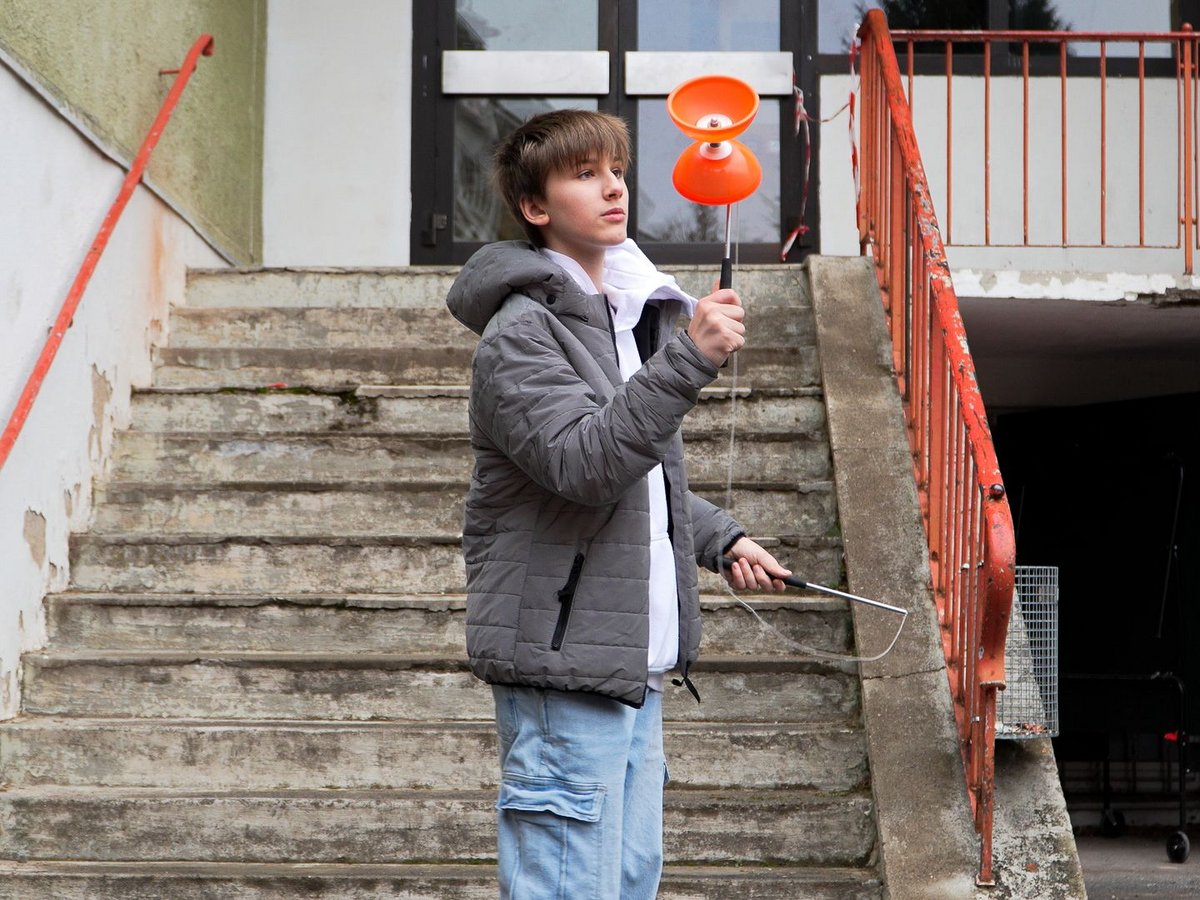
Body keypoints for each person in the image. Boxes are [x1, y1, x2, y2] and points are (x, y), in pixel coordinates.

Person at [445, 108, 790, 900]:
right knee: (569, 888)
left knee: (628, 882)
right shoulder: (519, 337)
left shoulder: (626, 319)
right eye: (583, 174)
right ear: (536, 208)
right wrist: (690, 360)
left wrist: (721, 538)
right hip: (563, 666)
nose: (611, 188)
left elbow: (640, 479)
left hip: (633, 665)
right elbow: (584, 463)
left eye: (617, 171)